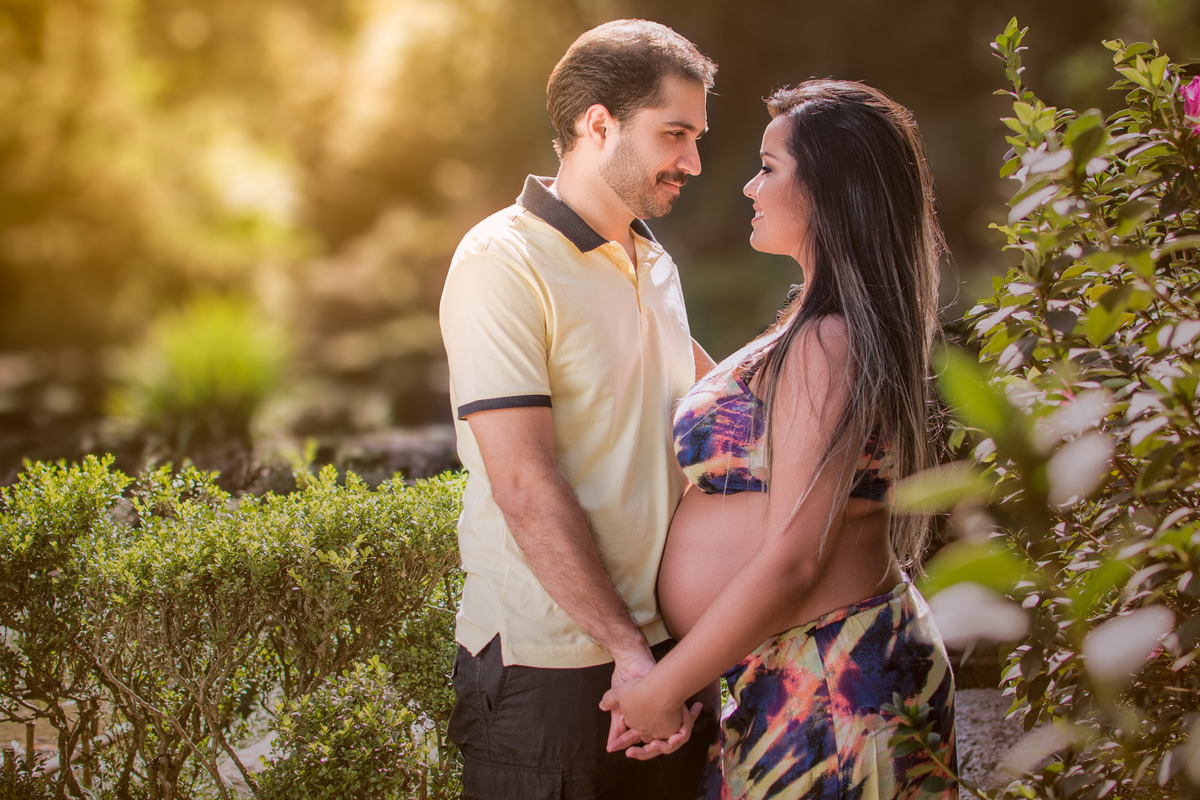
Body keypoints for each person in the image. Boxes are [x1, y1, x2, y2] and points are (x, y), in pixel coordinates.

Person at [601, 80, 957, 799]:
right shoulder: (808, 330)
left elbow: (795, 557)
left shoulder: (829, 343)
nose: (746, 185)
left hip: (832, 682)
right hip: (790, 674)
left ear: (831, 190)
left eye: (769, 167)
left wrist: (664, 688)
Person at [438, 19, 720, 800]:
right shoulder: (503, 261)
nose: (693, 162)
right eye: (674, 134)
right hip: (550, 671)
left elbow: (725, 405)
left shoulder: (653, 260)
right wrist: (629, 653)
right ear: (598, 124)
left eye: (695, 137)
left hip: (670, 654)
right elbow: (523, 482)